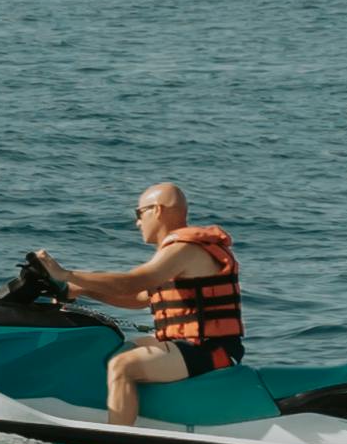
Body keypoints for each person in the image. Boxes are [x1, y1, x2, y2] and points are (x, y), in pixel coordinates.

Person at [54, 181, 244, 427]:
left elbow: (134, 282)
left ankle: (117, 438)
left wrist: (68, 275)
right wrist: (82, 289)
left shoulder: (184, 250)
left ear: (157, 210)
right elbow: (138, 298)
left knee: (123, 365)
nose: (137, 222)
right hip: (190, 345)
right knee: (110, 348)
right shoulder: (175, 253)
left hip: (212, 350)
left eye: (139, 213)